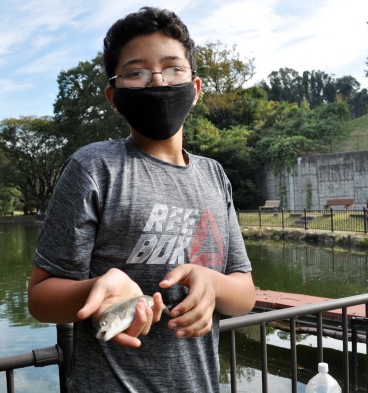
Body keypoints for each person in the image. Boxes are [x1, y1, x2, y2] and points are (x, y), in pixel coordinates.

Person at [27, 7, 255, 393]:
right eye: (136, 72)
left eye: (172, 68)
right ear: (114, 97)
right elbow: (40, 297)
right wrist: (97, 288)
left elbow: (245, 293)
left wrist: (211, 285)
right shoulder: (93, 167)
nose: (157, 81)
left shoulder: (214, 176)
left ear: (195, 88)